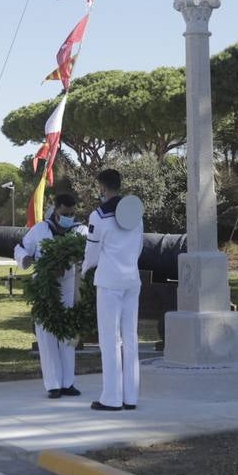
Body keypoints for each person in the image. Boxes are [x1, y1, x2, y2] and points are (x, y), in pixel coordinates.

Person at [83, 169, 143, 412]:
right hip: (132, 280)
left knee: (109, 339)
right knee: (130, 337)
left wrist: (86, 269)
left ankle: (111, 398)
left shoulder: (98, 216)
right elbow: (139, 247)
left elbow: (92, 254)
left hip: (109, 282)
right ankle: (131, 397)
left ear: (103, 188)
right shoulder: (135, 214)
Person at [14, 192, 82, 399]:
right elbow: (21, 247)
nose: (69, 216)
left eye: (72, 213)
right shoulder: (41, 229)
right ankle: (53, 384)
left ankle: (68, 383)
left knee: (68, 336)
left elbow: (89, 253)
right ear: (56, 208)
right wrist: (24, 259)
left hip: (69, 287)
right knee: (46, 336)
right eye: (65, 213)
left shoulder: (80, 230)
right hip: (45, 288)